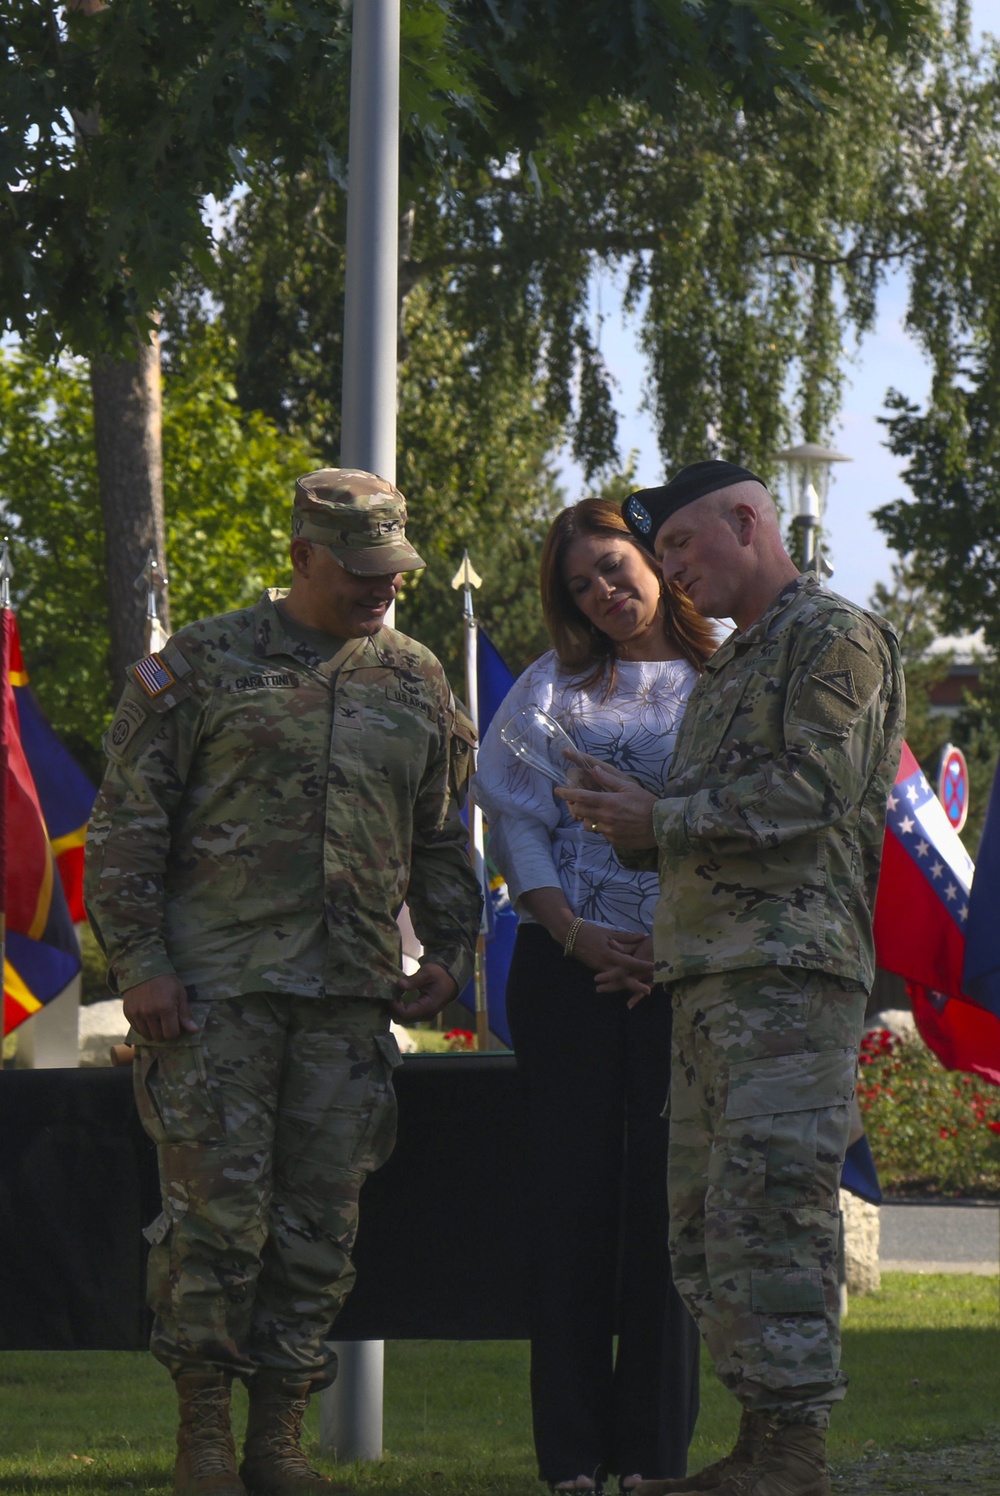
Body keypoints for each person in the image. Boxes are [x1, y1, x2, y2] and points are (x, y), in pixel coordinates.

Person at [85, 469, 482, 1496]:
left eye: (393, 570)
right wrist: (144, 967)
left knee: (318, 1225)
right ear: (303, 556)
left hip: (349, 997)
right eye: (359, 571)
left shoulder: (415, 678)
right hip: (214, 995)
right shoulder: (202, 665)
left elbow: (441, 836)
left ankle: (278, 1441)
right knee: (215, 1224)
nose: (380, 588)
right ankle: (205, 1439)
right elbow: (126, 828)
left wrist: (448, 952)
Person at [558, 462, 905, 1496]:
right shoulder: (736, 665)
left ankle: (792, 1451)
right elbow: (716, 817)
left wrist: (656, 818)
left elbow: (816, 785)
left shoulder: (832, 634)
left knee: (775, 1208)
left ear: (748, 522)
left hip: (788, 976)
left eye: (679, 551)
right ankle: (758, 1447)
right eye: (659, 557)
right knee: (713, 1225)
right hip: (711, 978)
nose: (670, 575)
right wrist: (630, 813)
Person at [475, 499, 717, 1496]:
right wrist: (576, 936)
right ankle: (572, 1459)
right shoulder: (549, 690)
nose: (606, 593)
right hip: (566, 967)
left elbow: (749, 816)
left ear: (656, 560)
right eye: (581, 584)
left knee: (672, 1214)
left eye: (616, 567)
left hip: (689, 972)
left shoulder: (726, 679)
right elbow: (516, 826)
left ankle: (652, 1458)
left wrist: (667, 947)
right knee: (568, 1208)